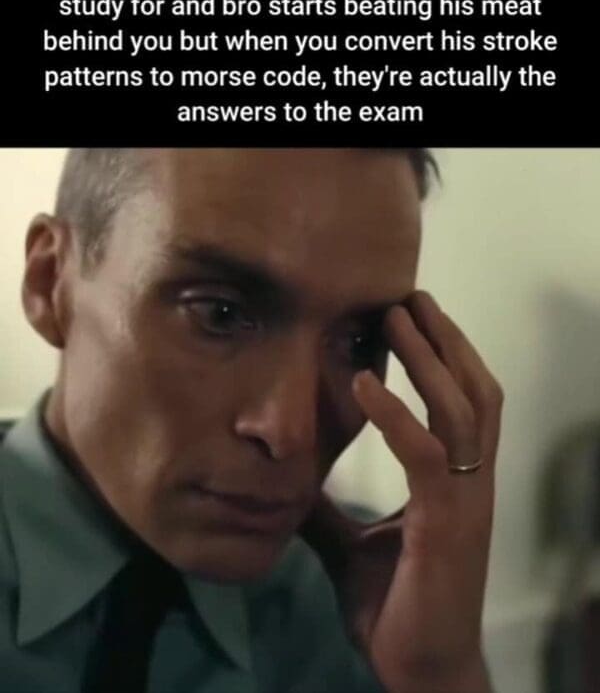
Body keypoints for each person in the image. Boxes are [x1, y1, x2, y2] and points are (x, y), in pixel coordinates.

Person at [0, 148, 503, 692]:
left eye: (360, 342)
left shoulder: (371, 598)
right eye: (219, 315)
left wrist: (440, 673)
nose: (291, 432)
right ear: (50, 281)